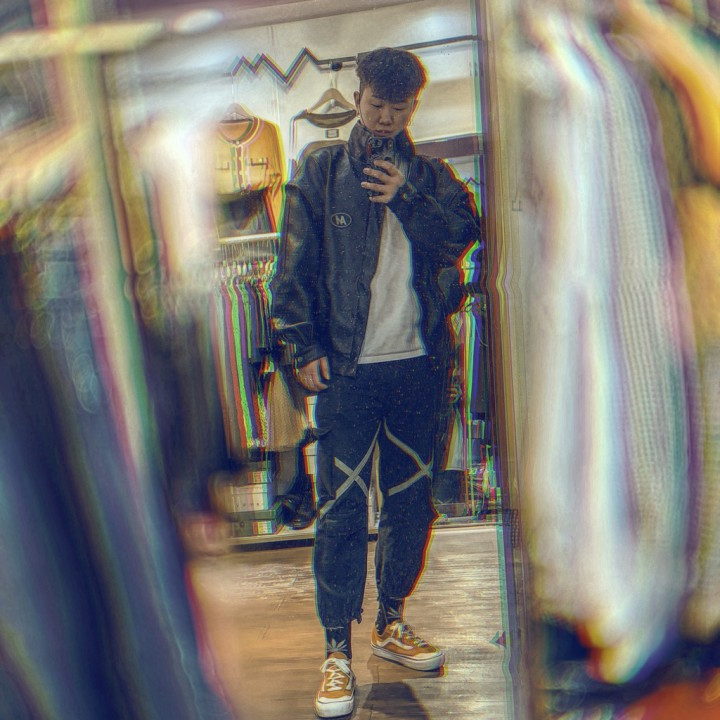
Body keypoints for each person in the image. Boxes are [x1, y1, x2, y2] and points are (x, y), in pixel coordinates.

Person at [271, 47, 481, 718]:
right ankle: (335, 648)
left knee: (411, 503)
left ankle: (391, 621)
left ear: (414, 106)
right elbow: (293, 264)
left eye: (399, 107)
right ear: (358, 97)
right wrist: (301, 344)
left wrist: (406, 197)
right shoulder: (320, 170)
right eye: (376, 104)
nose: (386, 118)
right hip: (348, 370)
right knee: (340, 509)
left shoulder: (432, 177)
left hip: (419, 368)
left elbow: (461, 236)